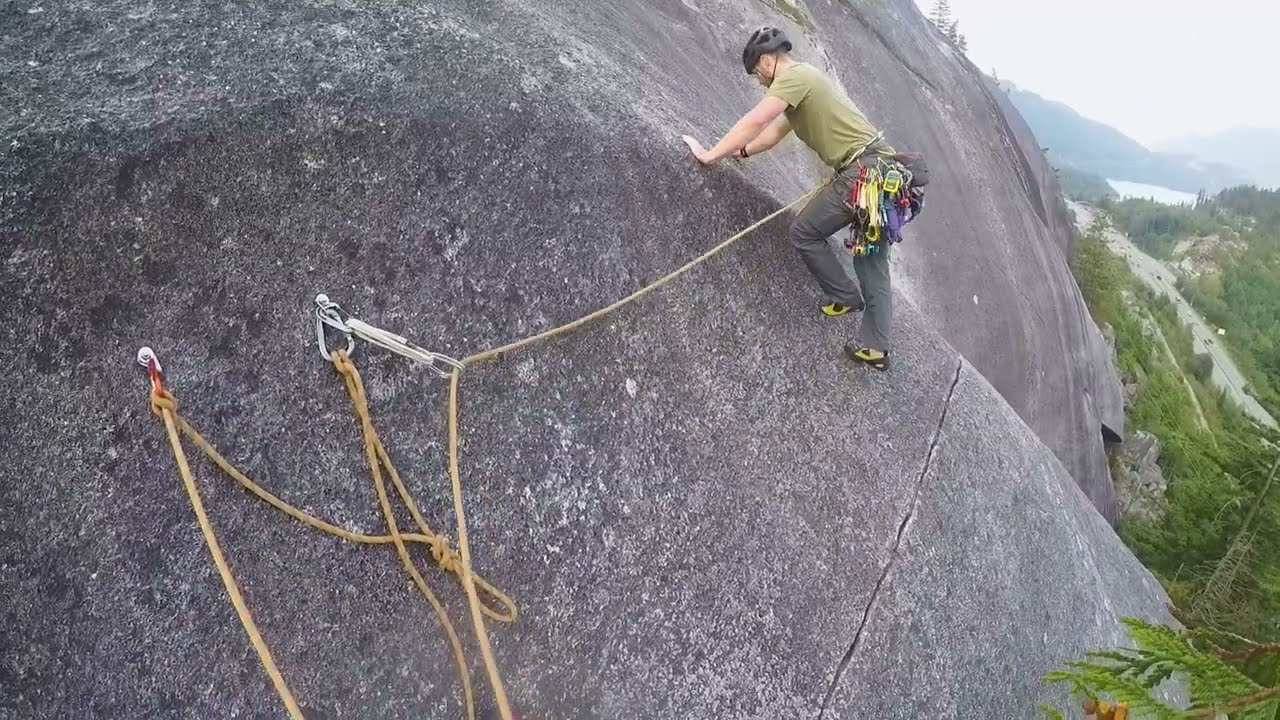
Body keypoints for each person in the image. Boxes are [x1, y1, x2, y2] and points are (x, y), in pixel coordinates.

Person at [682, 26, 898, 371]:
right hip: (882, 174)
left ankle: (844, 296)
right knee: (871, 260)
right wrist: (743, 153)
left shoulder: (795, 77)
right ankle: (877, 348)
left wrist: (710, 155)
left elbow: (757, 119)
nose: (759, 80)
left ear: (767, 60)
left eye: (757, 72)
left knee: (804, 232)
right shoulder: (805, 86)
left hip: (862, 173)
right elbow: (771, 134)